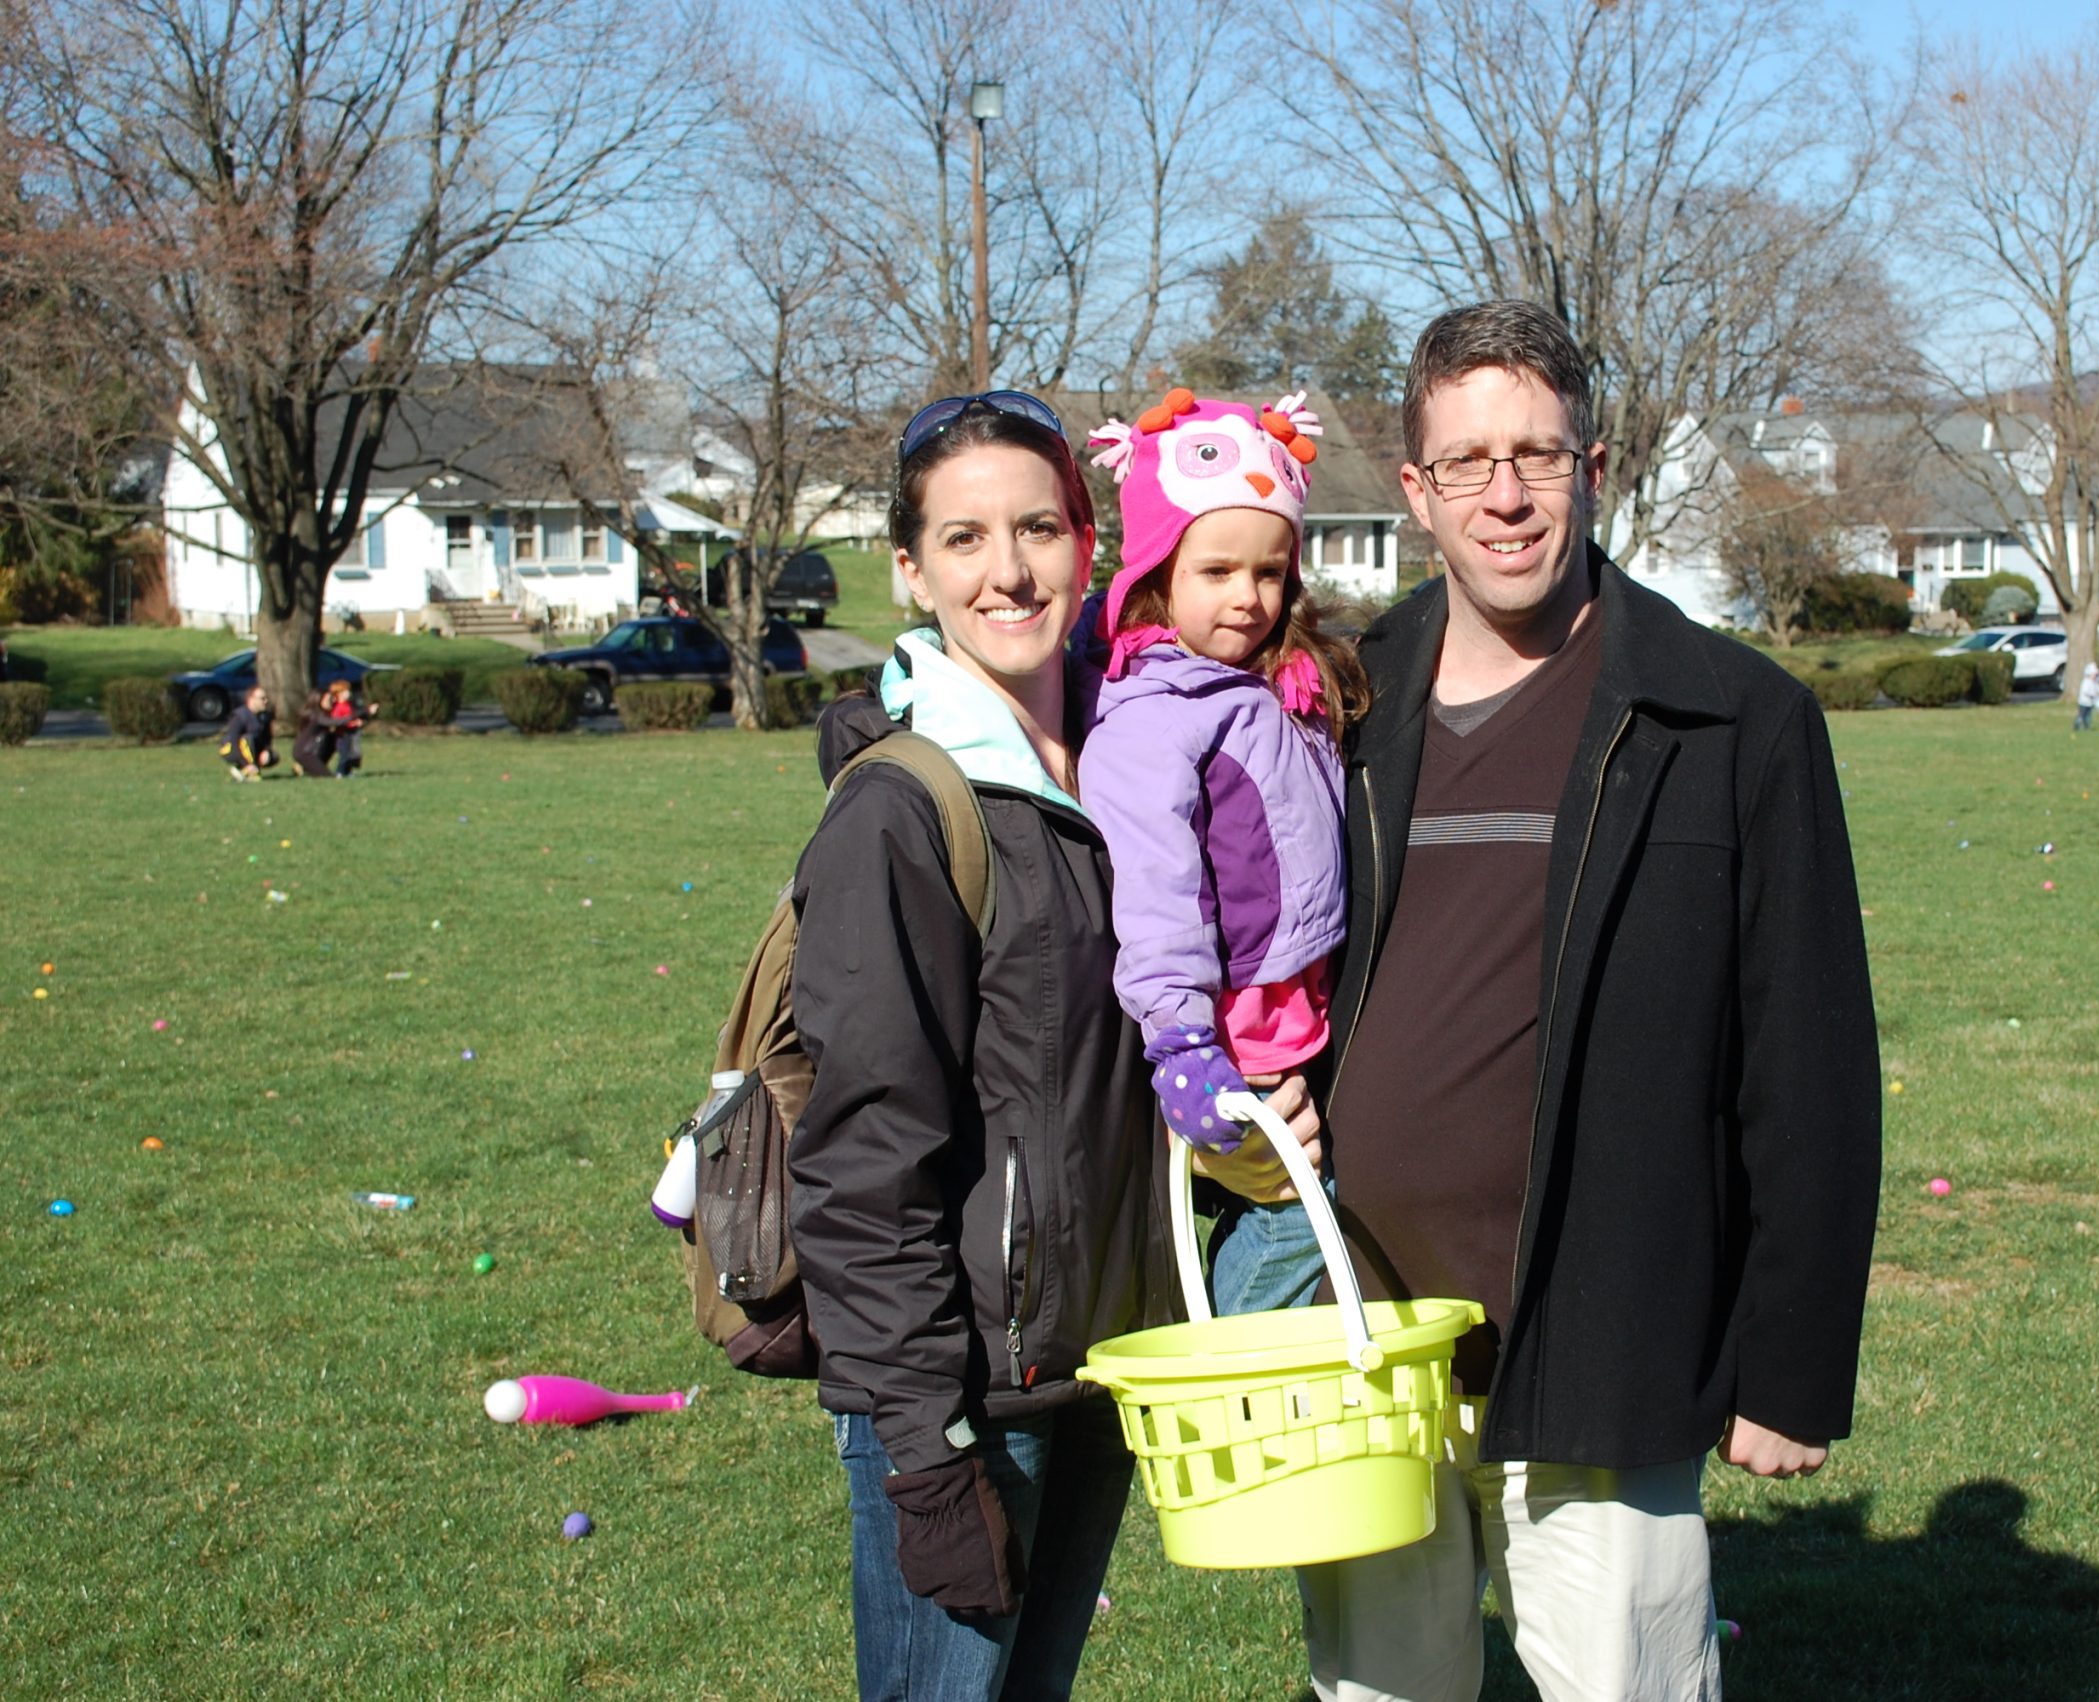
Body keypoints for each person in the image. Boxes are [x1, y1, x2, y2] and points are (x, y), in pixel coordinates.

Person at [1301, 300, 1881, 1702]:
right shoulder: (1338, 702)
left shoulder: (1730, 717)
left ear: (1597, 468)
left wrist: (1790, 1363)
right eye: (1471, 461)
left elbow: (1808, 1062)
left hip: (1610, 1324)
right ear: (1418, 489)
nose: (1507, 495)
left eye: (1541, 456)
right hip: (1369, 1331)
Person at [784, 392, 1320, 1702]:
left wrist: (1240, 1142)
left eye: (1037, 526)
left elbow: (1138, 1044)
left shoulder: (1146, 743)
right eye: (962, 539)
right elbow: (863, 1158)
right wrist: (925, 1447)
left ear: (1094, 541)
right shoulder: (908, 815)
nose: (1008, 569)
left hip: (1106, 1361)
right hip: (968, 1380)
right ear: (910, 569)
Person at [1079, 387, 1366, 1316]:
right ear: (1162, 570)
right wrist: (1182, 1043)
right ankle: (1228, 1363)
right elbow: (1157, 892)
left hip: (1292, 1006)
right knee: (1293, 1204)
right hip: (1229, 1028)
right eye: (1217, 571)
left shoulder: (1270, 682)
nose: (1249, 596)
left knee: (1292, 1194)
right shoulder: (1153, 718)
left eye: (1270, 571)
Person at [217, 686, 276, 780]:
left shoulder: (263, 717)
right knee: (248, 739)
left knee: (273, 757)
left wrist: (266, 750)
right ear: (251, 699)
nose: (266, 701)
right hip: (230, 748)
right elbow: (233, 740)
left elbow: (267, 739)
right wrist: (246, 763)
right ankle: (249, 769)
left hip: (248, 748)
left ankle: (242, 771)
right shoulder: (240, 716)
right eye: (262, 698)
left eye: (266, 698)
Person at [323, 678, 372, 775]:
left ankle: (348, 771)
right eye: (345, 691)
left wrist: (358, 722)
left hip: (352, 733)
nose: (348, 693)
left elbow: (351, 716)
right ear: (338, 693)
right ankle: (340, 771)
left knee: (352, 754)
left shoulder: (348, 705)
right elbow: (339, 721)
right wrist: (352, 723)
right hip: (342, 735)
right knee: (344, 754)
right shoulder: (338, 707)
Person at [2073, 659, 2099, 731]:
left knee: (2088, 716)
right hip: (2084, 702)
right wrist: (2093, 695)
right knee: (2081, 715)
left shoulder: (2094, 683)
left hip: (2090, 703)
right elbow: (2085, 691)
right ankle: (2077, 725)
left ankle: (2087, 727)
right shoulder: (2086, 681)